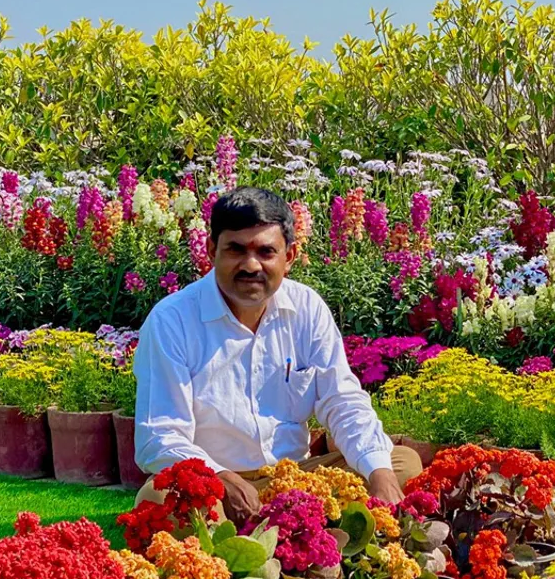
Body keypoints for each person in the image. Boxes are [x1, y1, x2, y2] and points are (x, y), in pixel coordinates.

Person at [133, 187, 422, 522]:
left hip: (296, 480)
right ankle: (295, 537)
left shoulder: (306, 308)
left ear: (290, 256)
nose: (251, 264)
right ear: (212, 250)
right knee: (162, 497)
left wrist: (379, 475)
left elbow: (342, 400)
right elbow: (160, 436)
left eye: (266, 251)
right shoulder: (172, 320)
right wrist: (222, 480)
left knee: (399, 464)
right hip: (216, 486)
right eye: (235, 250)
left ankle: (290, 535)